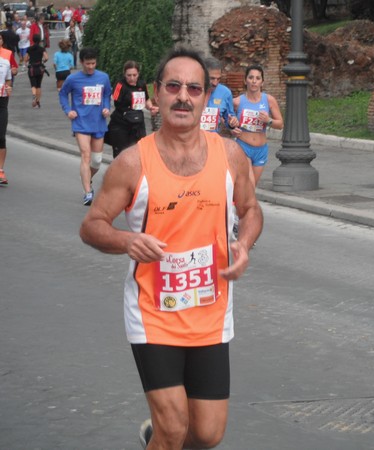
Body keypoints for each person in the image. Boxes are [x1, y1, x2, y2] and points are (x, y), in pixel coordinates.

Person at [79, 45, 263, 450]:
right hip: (154, 313)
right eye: (174, 86)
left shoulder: (230, 156)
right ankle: (164, 435)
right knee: (176, 427)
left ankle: (158, 439)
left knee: (208, 434)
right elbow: (92, 226)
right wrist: (128, 240)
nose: (184, 96)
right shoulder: (131, 163)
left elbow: (251, 210)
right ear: (156, 95)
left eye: (194, 88)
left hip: (211, 312)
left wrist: (244, 244)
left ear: (206, 97)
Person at [59, 47, 111, 205]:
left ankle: (87, 177)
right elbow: (62, 94)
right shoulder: (73, 79)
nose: (90, 67)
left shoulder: (103, 77)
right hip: (81, 122)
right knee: (85, 155)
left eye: (93, 63)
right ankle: (87, 191)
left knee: (96, 161)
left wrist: (106, 107)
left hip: (98, 122)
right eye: (87, 64)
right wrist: (68, 110)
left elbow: (107, 94)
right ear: (81, 62)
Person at [231, 64, 283, 185]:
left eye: (258, 78)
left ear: (262, 82)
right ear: (245, 80)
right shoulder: (237, 102)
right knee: (249, 184)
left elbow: (280, 124)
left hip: (261, 150)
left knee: (251, 188)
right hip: (243, 147)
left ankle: (237, 203)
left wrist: (268, 120)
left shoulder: (269, 100)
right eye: (251, 78)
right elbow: (226, 120)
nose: (254, 81)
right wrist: (232, 128)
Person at [106, 60, 158, 159]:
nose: (132, 78)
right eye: (129, 75)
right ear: (124, 74)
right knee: (121, 155)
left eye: (134, 75)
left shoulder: (141, 84)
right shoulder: (120, 85)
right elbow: (114, 100)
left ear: (138, 74)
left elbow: (146, 99)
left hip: (137, 123)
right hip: (121, 123)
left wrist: (151, 107)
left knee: (139, 153)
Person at [200, 57, 234, 134]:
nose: (215, 83)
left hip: (212, 141)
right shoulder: (191, 89)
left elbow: (229, 119)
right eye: (212, 78)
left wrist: (232, 123)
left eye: (218, 79)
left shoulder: (225, 93)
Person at [0, 34, 14, 185]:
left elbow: (8, 79)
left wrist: (9, 86)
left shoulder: (5, 59)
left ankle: (0, 170)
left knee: (1, 136)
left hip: (2, 100)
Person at [24, 33, 48, 108]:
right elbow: (46, 57)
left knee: (33, 84)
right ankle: (37, 101)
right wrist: (43, 61)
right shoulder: (41, 48)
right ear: (39, 40)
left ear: (33, 40)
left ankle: (34, 95)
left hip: (32, 68)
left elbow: (26, 58)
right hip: (39, 68)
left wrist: (26, 63)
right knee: (38, 85)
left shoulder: (29, 48)